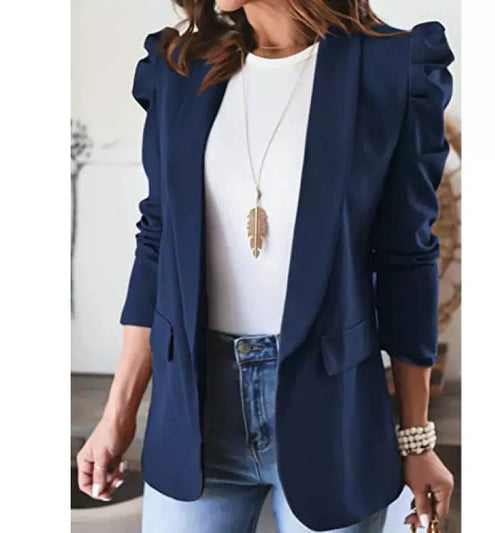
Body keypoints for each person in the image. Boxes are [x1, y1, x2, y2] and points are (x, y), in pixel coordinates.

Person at [76, 1, 455, 531]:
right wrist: (118, 414)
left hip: (334, 414)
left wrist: (416, 438)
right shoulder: (179, 67)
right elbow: (159, 245)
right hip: (196, 412)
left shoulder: (392, 68)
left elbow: (406, 259)